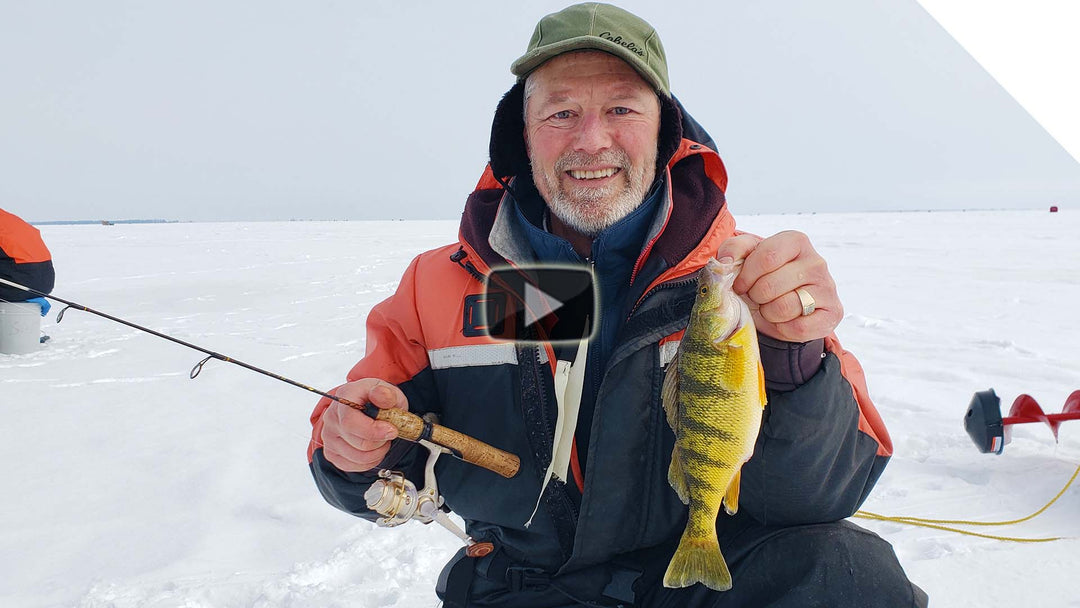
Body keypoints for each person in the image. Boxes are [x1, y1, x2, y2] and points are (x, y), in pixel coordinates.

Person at [307, 4, 928, 606]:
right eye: (561, 112)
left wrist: (792, 357)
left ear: (667, 130)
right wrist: (357, 449)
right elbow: (369, 461)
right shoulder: (439, 285)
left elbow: (819, 497)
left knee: (849, 574)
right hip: (522, 585)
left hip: (705, 582)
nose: (591, 139)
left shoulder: (745, 284)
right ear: (523, 135)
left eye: (622, 107)